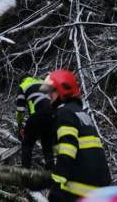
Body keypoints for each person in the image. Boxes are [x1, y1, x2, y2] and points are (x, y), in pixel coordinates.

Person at [41, 70, 111, 201]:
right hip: (100, 186)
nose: (49, 96)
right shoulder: (81, 113)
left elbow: (68, 149)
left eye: (52, 91)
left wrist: (56, 184)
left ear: (63, 90)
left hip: (79, 188)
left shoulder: (64, 113)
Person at [16, 76, 54, 169]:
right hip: (52, 115)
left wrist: (20, 126)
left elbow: (20, 110)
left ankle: (25, 173)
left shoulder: (23, 86)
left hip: (37, 115)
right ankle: (50, 172)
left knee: (27, 145)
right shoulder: (42, 82)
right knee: (47, 146)